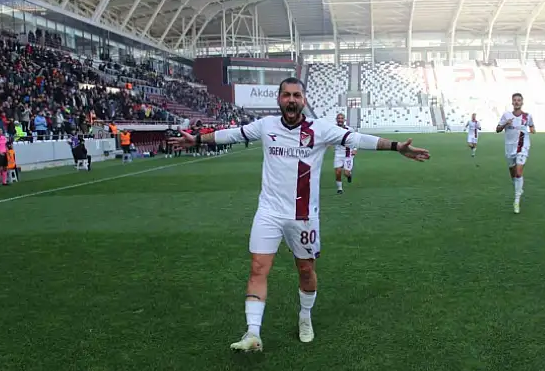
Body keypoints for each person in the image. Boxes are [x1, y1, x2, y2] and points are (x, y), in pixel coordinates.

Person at [168, 77, 430, 352]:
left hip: (303, 216)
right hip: (268, 212)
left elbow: (357, 139)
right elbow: (233, 134)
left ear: (304, 100)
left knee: (306, 270)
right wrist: (197, 139)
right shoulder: (266, 125)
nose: (291, 100)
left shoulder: (321, 129)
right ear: (279, 99)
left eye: (296, 95)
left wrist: (397, 146)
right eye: (286, 95)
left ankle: (305, 316)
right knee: (258, 267)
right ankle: (253, 333)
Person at [496, 93, 535, 214]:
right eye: (515, 100)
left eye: (519, 100)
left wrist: (532, 130)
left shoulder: (527, 116)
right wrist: (505, 124)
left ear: (522, 102)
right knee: (513, 175)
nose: (517, 102)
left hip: (522, 146)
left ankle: (516, 200)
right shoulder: (506, 115)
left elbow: (532, 127)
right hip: (509, 148)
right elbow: (497, 129)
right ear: (512, 102)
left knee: (518, 172)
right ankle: (518, 189)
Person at [333, 113, 357, 194]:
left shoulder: (350, 129)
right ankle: (340, 189)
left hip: (348, 154)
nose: (340, 120)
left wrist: (355, 149)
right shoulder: (333, 129)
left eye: (341, 118)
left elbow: (355, 139)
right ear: (336, 119)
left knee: (346, 173)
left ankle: (349, 175)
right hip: (338, 153)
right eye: (338, 118)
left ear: (344, 120)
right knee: (338, 172)